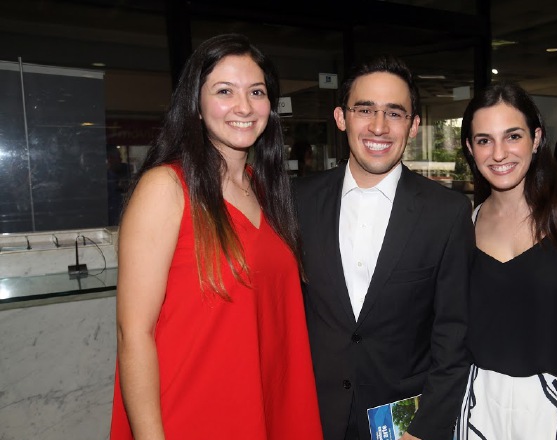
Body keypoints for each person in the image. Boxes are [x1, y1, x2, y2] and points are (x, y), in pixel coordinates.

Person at [109, 34, 322, 439]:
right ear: (196, 103)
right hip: (190, 413)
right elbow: (133, 332)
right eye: (224, 91)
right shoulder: (166, 188)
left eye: (256, 92)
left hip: (266, 405)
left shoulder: (269, 192)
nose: (243, 107)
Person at [294, 55, 474, 440]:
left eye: (395, 113)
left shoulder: (447, 212)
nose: (379, 126)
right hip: (312, 415)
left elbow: (453, 337)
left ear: (413, 126)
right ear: (341, 117)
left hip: (403, 423)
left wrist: (423, 430)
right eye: (365, 110)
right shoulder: (298, 201)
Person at [457, 81, 557, 439]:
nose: (499, 153)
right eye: (484, 140)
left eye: (512, 136)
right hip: (476, 405)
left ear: (536, 138)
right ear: (471, 148)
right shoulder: (465, 223)